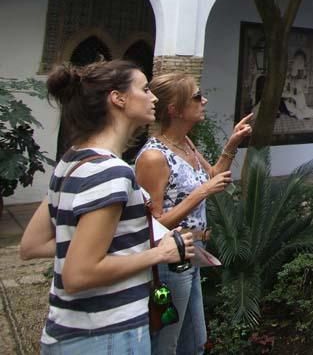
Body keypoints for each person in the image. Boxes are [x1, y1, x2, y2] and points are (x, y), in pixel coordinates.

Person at [19, 60, 194, 354]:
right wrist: (159, 253)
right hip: (107, 334)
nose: (153, 98)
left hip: (67, 332)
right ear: (118, 98)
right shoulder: (112, 172)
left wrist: (118, 243)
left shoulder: (72, 161)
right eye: (145, 89)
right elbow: (78, 274)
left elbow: (33, 244)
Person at [135, 74, 254, 355]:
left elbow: (213, 175)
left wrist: (232, 144)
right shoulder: (155, 157)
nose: (205, 100)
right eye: (197, 97)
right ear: (175, 109)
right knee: (168, 342)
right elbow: (151, 225)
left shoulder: (185, 143)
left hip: (192, 252)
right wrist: (201, 193)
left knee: (195, 340)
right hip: (169, 256)